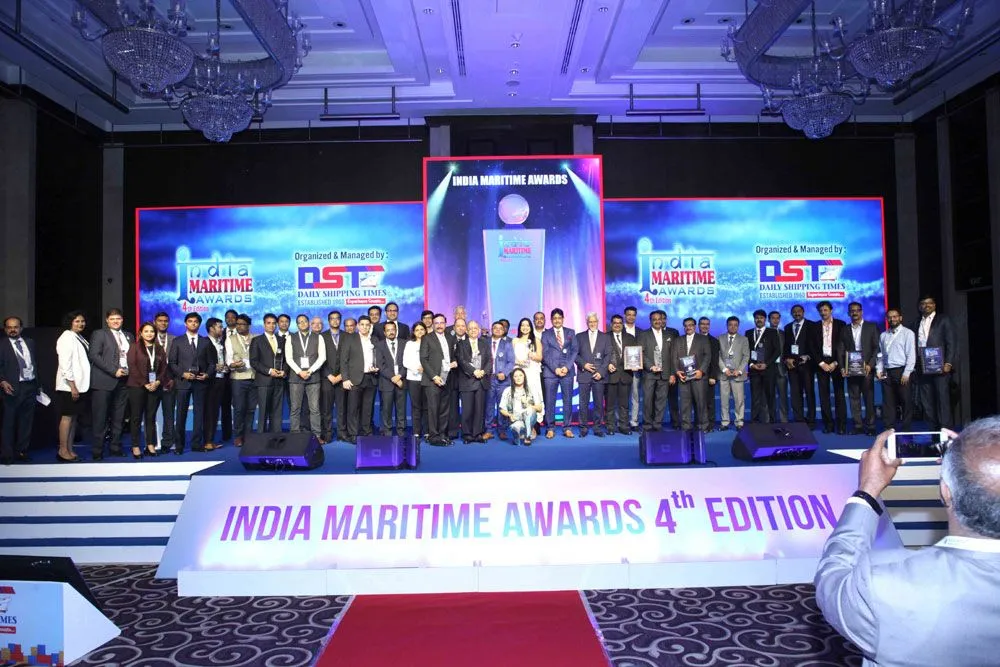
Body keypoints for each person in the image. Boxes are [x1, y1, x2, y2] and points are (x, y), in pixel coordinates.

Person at [815, 420, 1000, 666]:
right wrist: (970, 457)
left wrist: (867, 491)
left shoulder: (883, 583)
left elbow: (831, 582)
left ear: (945, 491)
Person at [167, 312, 215, 453]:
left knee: (199, 415)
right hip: (183, 382)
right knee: (181, 414)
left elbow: (212, 363)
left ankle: (196, 444)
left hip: (200, 382)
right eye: (190, 321)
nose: (193, 323)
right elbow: (172, 363)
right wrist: (182, 373)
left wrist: (207, 374)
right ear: (185, 323)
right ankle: (179, 445)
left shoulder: (206, 342)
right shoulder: (177, 341)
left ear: (199, 324)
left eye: (196, 321)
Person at [89, 308, 133, 459]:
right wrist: (114, 371)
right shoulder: (99, 334)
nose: (116, 321)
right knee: (100, 418)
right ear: (107, 320)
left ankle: (115, 447)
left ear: (122, 320)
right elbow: (94, 355)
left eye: (118, 318)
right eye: (112, 319)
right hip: (103, 381)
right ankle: (97, 451)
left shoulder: (129, 336)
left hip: (124, 382)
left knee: (119, 417)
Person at [911, 295, 957, 431]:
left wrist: (948, 363)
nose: (926, 306)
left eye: (930, 303)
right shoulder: (916, 322)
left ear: (934, 305)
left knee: (942, 398)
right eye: (923, 303)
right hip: (922, 365)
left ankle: (945, 431)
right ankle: (934, 430)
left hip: (940, 365)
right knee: (927, 401)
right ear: (919, 306)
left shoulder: (944, 319)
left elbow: (951, 342)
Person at [1, 316, 40, 465]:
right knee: (8, 423)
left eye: (15, 327)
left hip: (30, 386)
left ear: (21, 328)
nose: (13, 330)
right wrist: (2, 381)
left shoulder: (30, 342)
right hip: (11, 388)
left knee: (26, 422)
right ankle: (7, 454)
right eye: (9, 327)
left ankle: (22, 451)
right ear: (5, 329)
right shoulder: (2, 345)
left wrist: (38, 385)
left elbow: (34, 363)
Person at [126, 322, 168, 458]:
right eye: (146, 331)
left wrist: (158, 381)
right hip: (137, 386)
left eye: (152, 331)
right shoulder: (134, 347)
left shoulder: (159, 348)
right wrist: (145, 383)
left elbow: (164, 368)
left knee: (151, 417)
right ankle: (135, 446)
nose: (149, 334)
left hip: (155, 386)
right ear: (141, 333)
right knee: (136, 417)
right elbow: (132, 367)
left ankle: (150, 445)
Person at [838, 302, 880, 436]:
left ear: (862, 312)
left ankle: (871, 426)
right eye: (852, 311)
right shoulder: (844, 329)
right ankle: (858, 425)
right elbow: (840, 350)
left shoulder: (871, 327)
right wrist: (842, 367)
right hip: (851, 369)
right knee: (854, 398)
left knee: (869, 398)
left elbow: (877, 348)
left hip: (866, 369)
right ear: (848, 313)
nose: (854, 313)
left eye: (857, 310)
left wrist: (870, 365)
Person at [55, 310, 89, 462]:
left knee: (74, 418)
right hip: (69, 386)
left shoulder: (78, 336)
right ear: (70, 322)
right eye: (77, 321)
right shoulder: (66, 337)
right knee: (67, 418)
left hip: (79, 385)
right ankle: (62, 450)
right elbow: (65, 364)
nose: (80, 324)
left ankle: (69, 448)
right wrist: (72, 386)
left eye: (82, 321)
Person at [285, 314, 326, 439]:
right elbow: (289, 358)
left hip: (313, 377)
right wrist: (299, 371)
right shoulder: (291, 337)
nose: (302, 323)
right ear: (297, 325)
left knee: (315, 409)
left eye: (305, 321)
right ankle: (295, 435)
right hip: (296, 378)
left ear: (309, 323)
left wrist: (310, 371)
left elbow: (322, 357)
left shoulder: (318, 337)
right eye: (300, 322)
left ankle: (317, 435)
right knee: (295, 408)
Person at [340, 315, 379, 443]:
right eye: (362, 324)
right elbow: (343, 360)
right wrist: (345, 378)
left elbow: (379, 357)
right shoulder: (350, 338)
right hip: (354, 378)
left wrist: (377, 367)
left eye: (367, 325)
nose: (364, 327)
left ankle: (366, 432)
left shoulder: (374, 339)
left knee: (368, 408)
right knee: (353, 408)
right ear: (358, 326)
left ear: (370, 326)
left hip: (371, 377)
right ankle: (353, 434)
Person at [811, 301, 847, 434]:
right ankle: (828, 425)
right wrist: (821, 363)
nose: (823, 313)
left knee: (839, 395)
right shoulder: (814, 326)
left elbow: (844, 345)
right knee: (823, 395)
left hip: (837, 362)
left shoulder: (841, 324)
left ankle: (841, 425)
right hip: (821, 364)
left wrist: (836, 362)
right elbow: (812, 347)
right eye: (821, 310)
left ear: (831, 310)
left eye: (825, 310)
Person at [420, 313, 456, 446]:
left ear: (446, 324)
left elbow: (451, 356)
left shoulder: (450, 338)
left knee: (444, 409)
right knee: (433, 410)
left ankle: (442, 435)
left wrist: (454, 362)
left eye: (442, 323)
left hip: (447, 378)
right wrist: (434, 376)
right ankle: (434, 437)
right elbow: (423, 359)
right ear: (433, 325)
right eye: (436, 323)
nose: (439, 325)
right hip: (432, 380)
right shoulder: (427, 338)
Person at [542, 308, 578, 438]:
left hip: (567, 372)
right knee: (550, 401)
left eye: (559, 318)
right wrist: (555, 369)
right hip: (550, 372)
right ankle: (550, 428)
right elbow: (545, 353)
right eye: (554, 318)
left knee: (567, 400)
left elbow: (574, 350)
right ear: (551, 320)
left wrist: (567, 367)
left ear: (563, 319)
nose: (557, 320)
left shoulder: (570, 332)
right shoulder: (546, 334)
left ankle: (567, 427)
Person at [877, 308, 916, 431]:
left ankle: (906, 429)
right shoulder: (883, 335)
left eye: (895, 316)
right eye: (889, 317)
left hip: (902, 370)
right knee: (888, 402)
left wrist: (907, 372)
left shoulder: (908, 333)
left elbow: (911, 354)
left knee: (906, 401)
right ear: (886, 319)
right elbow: (881, 355)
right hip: (887, 371)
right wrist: (879, 369)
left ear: (900, 318)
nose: (892, 319)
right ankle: (889, 428)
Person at [671, 317, 711, 432]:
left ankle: (703, 426)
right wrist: (677, 371)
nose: (688, 327)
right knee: (685, 404)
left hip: (698, 377)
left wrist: (701, 371)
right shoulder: (678, 340)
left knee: (701, 402)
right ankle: (686, 426)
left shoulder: (703, 339)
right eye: (686, 325)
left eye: (690, 325)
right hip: (683, 376)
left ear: (695, 326)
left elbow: (708, 356)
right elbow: (674, 357)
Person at [249, 313, 286, 433]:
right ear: (264, 324)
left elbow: (286, 360)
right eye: (268, 323)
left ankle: (276, 437)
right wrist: (269, 371)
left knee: (277, 411)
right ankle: (261, 438)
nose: (271, 325)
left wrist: (284, 371)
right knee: (263, 412)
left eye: (274, 323)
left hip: (279, 380)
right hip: (264, 381)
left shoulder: (282, 340)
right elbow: (254, 362)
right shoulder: (257, 340)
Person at [456, 320, 492, 443]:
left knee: (479, 410)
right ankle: (467, 434)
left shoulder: (484, 343)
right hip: (467, 381)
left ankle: (477, 434)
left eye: (475, 328)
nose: (473, 330)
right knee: (467, 410)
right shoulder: (461, 344)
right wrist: (474, 371)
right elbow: (462, 361)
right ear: (466, 330)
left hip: (482, 380)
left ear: (479, 330)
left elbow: (489, 360)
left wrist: (483, 371)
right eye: (470, 328)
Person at [640, 310, 676, 431]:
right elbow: (641, 353)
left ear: (662, 320)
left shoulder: (669, 335)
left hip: (665, 373)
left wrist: (672, 374)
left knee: (661, 401)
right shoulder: (644, 335)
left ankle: (657, 424)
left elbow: (673, 355)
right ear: (650, 321)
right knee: (647, 400)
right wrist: (651, 366)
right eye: (654, 319)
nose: (657, 321)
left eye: (659, 319)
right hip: (649, 373)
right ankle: (647, 424)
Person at [575, 312, 610, 437]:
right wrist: (584, 364)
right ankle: (583, 428)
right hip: (584, 374)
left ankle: (597, 428)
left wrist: (601, 372)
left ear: (598, 322)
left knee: (598, 403)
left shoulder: (605, 337)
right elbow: (575, 354)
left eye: (594, 321)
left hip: (599, 376)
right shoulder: (579, 337)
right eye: (590, 321)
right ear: (587, 322)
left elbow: (608, 356)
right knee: (583, 403)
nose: (592, 323)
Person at [225, 314, 256, 446]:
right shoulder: (230, 339)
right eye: (237, 324)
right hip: (238, 378)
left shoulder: (256, 338)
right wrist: (233, 364)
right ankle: (238, 436)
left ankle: (248, 435)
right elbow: (228, 359)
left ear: (248, 326)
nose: (239, 326)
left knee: (251, 409)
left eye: (242, 324)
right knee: (239, 408)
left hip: (253, 377)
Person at [784, 304, 816, 427]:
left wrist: (808, 356)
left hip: (807, 365)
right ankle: (799, 420)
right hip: (792, 365)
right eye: (794, 312)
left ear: (803, 312)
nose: (797, 313)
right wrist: (786, 359)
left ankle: (811, 420)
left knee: (809, 393)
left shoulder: (812, 325)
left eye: (799, 311)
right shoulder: (787, 327)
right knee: (795, 394)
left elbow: (815, 345)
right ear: (791, 313)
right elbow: (786, 346)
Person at [746, 309, 779, 424]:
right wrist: (751, 364)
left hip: (768, 370)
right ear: (754, 319)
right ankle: (755, 422)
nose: (759, 320)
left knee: (770, 396)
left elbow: (777, 351)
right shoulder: (748, 333)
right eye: (757, 318)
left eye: (761, 318)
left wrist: (767, 364)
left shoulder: (772, 332)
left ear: (765, 319)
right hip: (754, 370)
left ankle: (773, 421)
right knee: (755, 397)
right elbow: (746, 351)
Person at [375, 321, 407, 437]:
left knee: (401, 409)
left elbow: (407, 362)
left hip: (401, 381)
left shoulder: (404, 343)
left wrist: (400, 376)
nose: (391, 332)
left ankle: (401, 432)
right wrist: (393, 377)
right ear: (384, 332)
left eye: (392, 329)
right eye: (388, 330)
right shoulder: (379, 345)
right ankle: (387, 432)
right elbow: (380, 364)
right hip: (386, 382)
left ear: (396, 330)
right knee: (386, 410)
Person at [606, 314, 636, 435]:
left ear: (622, 324)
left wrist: (635, 364)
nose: (617, 325)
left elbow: (635, 355)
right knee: (610, 404)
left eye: (619, 323)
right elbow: (602, 355)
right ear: (611, 324)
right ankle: (610, 427)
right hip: (610, 375)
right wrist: (607, 364)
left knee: (624, 404)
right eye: (615, 323)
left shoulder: (630, 338)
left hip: (625, 375)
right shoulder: (605, 337)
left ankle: (624, 426)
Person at [718, 316, 749, 430]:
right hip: (724, 374)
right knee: (724, 400)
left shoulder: (743, 339)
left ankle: (739, 422)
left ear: (738, 326)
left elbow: (746, 356)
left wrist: (739, 370)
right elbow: (717, 356)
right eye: (730, 324)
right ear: (727, 325)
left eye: (735, 325)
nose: (733, 327)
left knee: (739, 400)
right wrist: (724, 369)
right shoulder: (720, 338)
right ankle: (725, 422)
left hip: (737, 375)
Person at [499, 367, 542, 446]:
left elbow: (539, 408)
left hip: (529, 416)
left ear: (524, 377)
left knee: (529, 410)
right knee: (515, 428)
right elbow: (501, 409)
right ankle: (517, 437)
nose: (518, 378)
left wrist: (528, 404)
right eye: (515, 376)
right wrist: (509, 415)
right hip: (516, 418)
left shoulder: (532, 388)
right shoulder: (507, 390)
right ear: (512, 378)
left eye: (520, 375)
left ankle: (527, 436)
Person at [486, 321, 514, 440]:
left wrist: (505, 373)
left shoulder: (507, 344)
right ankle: (488, 430)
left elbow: (511, 362)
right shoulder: (485, 342)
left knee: (502, 406)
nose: (497, 330)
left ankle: (502, 430)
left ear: (503, 331)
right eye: (495, 328)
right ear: (491, 329)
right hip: (488, 378)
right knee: (489, 405)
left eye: (500, 328)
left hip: (503, 380)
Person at [153, 311, 177, 452]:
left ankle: (168, 442)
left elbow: (177, 361)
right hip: (152, 381)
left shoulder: (174, 339)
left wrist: (172, 378)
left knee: (169, 414)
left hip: (169, 381)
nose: (163, 323)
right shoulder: (148, 337)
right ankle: (151, 443)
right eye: (160, 321)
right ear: (155, 322)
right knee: (150, 414)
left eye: (165, 321)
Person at [320, 310, 344, 443]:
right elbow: (318, 358)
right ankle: (327, 434)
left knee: (342, 409)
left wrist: (341, 375)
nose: (335, 320)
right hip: (326, 378)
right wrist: (329, 375)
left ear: (340, 320)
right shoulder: (321, 337)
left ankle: (341, 434)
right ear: (328, 321)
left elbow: (350, 358)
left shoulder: (347, 336)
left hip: (342, 378)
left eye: (337, 318)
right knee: (326, 409)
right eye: (332, 318)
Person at [403, 322, 427, 439]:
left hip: (427, 378)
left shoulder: (430, 343)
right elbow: (405, 361)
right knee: (416, 406)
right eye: (417, 330)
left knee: (427, 406)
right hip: (413, 378)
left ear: (425, 330)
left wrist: (426, 369)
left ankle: (427, 431)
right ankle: (416, 431)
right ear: (413, 332)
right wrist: (417, 368)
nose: (420, 332)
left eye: (422, 329)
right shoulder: (409, 344)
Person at [623, 306, 644, 431]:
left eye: (633, 315)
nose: (631, 317)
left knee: (635, 396)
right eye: (628, 314)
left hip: (636, 369)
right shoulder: (618, 329)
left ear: (636, 316)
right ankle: (622, 421)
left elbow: (643, 350)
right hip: (621, 370)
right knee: (621, 397)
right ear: (625, 316)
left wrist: (638, 364)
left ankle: (634, 422)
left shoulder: (641, 332)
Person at [699, 317, 720, 430]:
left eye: (707, 324)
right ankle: (699, 423)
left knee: (709, 402)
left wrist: (713, 376)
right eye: (702, 324)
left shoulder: (714, 341)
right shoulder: (693, 338)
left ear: (709, 326)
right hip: (694, 376)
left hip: (709, 377)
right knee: (697, 401)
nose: (705, 326)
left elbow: (715, 360)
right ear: (698, 325)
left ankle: (710, 424)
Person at [768, 311, 789, 424]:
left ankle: (784, 420)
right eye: (773, 318)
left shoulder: (783, 334)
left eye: (777, 318)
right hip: (768, 369)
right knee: (768, 397)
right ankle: (769, 420)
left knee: (783, 397)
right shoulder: (764, 333)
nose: (775, 320)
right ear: (769, 320)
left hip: (781, 369)